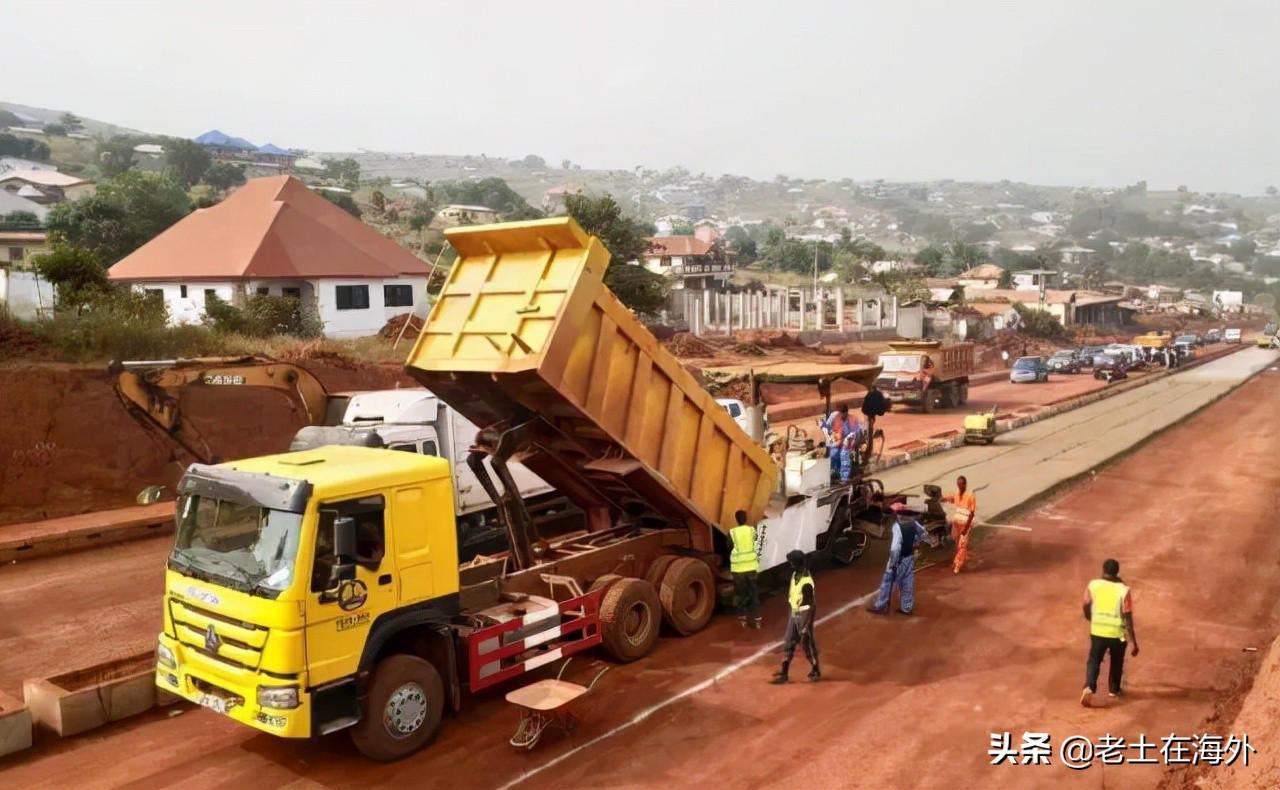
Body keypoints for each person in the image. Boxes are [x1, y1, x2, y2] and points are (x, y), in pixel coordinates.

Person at [1081, 558, 1138, 707]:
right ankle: (1114, 689)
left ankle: (1089, 686)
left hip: (1098, 629)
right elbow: (1127, 615)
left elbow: (1086, 605)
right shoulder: (1124, 589)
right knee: (1117, 661)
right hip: (1117, 633)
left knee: (1094, 659)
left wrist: (1090, 617)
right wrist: (1134, 641)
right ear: (1117, 571)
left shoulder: (1093, 585)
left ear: (1103, 569)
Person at [867, 502, 931, 615]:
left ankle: (881, 606)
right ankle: (906, 607)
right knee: (907, 582)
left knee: (887, 581)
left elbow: (895, 548)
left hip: (899, 560)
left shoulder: (897, 527)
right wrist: (916, 541)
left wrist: (892, 563)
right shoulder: (913, 523)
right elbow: (924, 534)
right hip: (910, 558)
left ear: (897, 514)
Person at [771, 550, 819, 683]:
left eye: (791, 562)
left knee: (807, 643)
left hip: (804, 614)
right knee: (789, 641)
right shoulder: (795, 574)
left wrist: (805, 626)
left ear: (795, 563)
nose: (790, 564)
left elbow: (811, 605)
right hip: (795, 612)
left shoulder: (806, 582)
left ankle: (816, 669)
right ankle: (784, 674)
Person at [728, 509, 761, 629]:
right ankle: (756, 619)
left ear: (736, 520)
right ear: (746, 519)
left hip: (738, 569)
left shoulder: (732, 532)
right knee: (754, 593)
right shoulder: (752, 530)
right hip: (751, 567)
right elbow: (757, 543)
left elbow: (729, 547)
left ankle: (743, 617)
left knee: (742, 593)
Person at [943, 476, 977, 573]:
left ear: (965, 484)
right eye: (958, 484)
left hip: (965, 523)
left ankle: (957, 565)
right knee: (956, 541)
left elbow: (972, 513)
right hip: (956, 522)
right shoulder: (957, 494)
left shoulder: (970, 496)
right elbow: (953, 499)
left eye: (961, 484)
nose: (960, 486)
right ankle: (963, 557)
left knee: (961, 544)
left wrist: (967, 527)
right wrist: (944, 499)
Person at [822, 403, 862, 483]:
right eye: (839, 413)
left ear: (846, 413)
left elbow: (857, 432)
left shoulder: (853, 419)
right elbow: (827, 427)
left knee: (844, 457)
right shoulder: (835, 416)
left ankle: (844, 479)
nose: (840, 415)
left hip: (847, 444)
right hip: (837, 442)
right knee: (833, 456)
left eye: (842, 414)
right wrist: (826, 432)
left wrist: (851, 438)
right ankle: (833, 476)